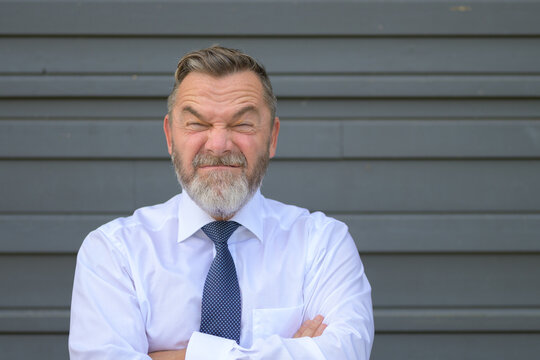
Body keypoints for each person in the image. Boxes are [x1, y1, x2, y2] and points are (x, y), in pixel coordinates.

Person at [69, 46, 374, 359]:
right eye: (197, 124)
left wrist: (174, 356)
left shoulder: (323, 244)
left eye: (242, 124)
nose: (218, 145)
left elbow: (345, 353)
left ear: (272, 137)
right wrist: (293, 351)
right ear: (170, 137)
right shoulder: (114, 253)